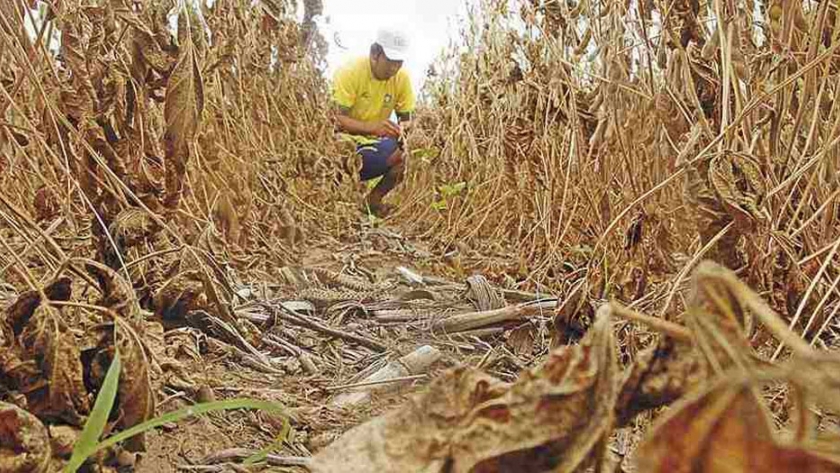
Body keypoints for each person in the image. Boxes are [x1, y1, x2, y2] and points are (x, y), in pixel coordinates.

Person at [331, 28, 416, 218]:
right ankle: (330, 201)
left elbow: (407, 120)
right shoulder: (350, 71)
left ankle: (372, 202)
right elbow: (333, 119)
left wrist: (406, 130)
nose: (394, 68)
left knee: (409, 152)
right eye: (391, 61)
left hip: (375, 148)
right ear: (374, 53)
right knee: (335, 146)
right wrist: (371, 127)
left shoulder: (402, 79)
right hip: (343, 147)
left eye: (399, 62)